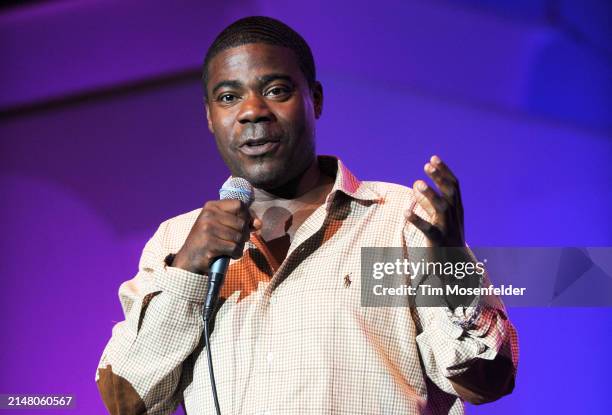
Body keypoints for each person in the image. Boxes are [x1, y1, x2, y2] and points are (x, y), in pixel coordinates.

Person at [96, 16, 518, 415]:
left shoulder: (399, 220)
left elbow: (487, 380)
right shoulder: (176, 242)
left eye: (276, 90)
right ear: (210, 117)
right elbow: (127, 403)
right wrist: (188, 271)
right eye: (229, 97)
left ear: (314, 99)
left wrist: (451, 267)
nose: (252, 111)